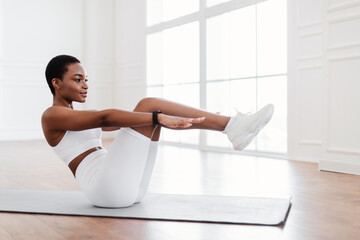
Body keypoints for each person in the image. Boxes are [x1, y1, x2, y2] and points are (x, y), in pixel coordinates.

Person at [41, 55, 274, 208]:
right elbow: (106, 117)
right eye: (78, 79)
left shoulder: (76, 116)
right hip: (106, 190)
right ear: (57, 83)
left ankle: (230, 126)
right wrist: (155, 115)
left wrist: (158, 118)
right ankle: (231, 126)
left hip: (130, 189)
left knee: (150, 111)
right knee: (150, 106)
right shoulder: (51, 115)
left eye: (86, 79)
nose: (85, 85)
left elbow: (118, 122)